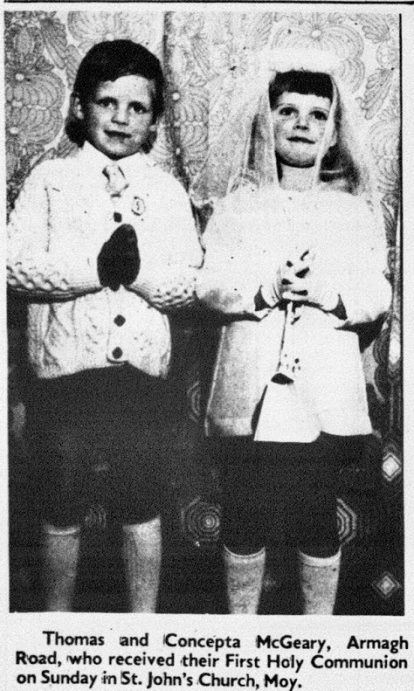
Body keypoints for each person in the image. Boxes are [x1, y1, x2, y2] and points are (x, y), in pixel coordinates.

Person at [7, 39, 202, 612]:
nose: (121, 118)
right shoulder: (51, 180)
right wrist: (94, 269)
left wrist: (137, 276)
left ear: (155, 121)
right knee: (61, 499)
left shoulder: (165, 192)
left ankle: (142, 626)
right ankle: (56, 623)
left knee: (141, 500)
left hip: (140, 382)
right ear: (79, 107)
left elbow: (190, 281)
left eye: (137, 108)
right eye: (107, 102)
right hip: (65, 379)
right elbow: (14, 266)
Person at [195, 50, 391, 614]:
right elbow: (209, 285)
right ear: (267, 121)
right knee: (245, 512)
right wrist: (266, 290)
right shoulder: (238, 208)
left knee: (315, 514)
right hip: (249, 390)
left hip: (323, 393)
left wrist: (329, 295)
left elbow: (377, 294)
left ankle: (317, 633)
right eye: (288, 111)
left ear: (333, 132)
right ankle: (242, 628)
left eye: (317, 115)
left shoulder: (353, 213)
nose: (302, 124)